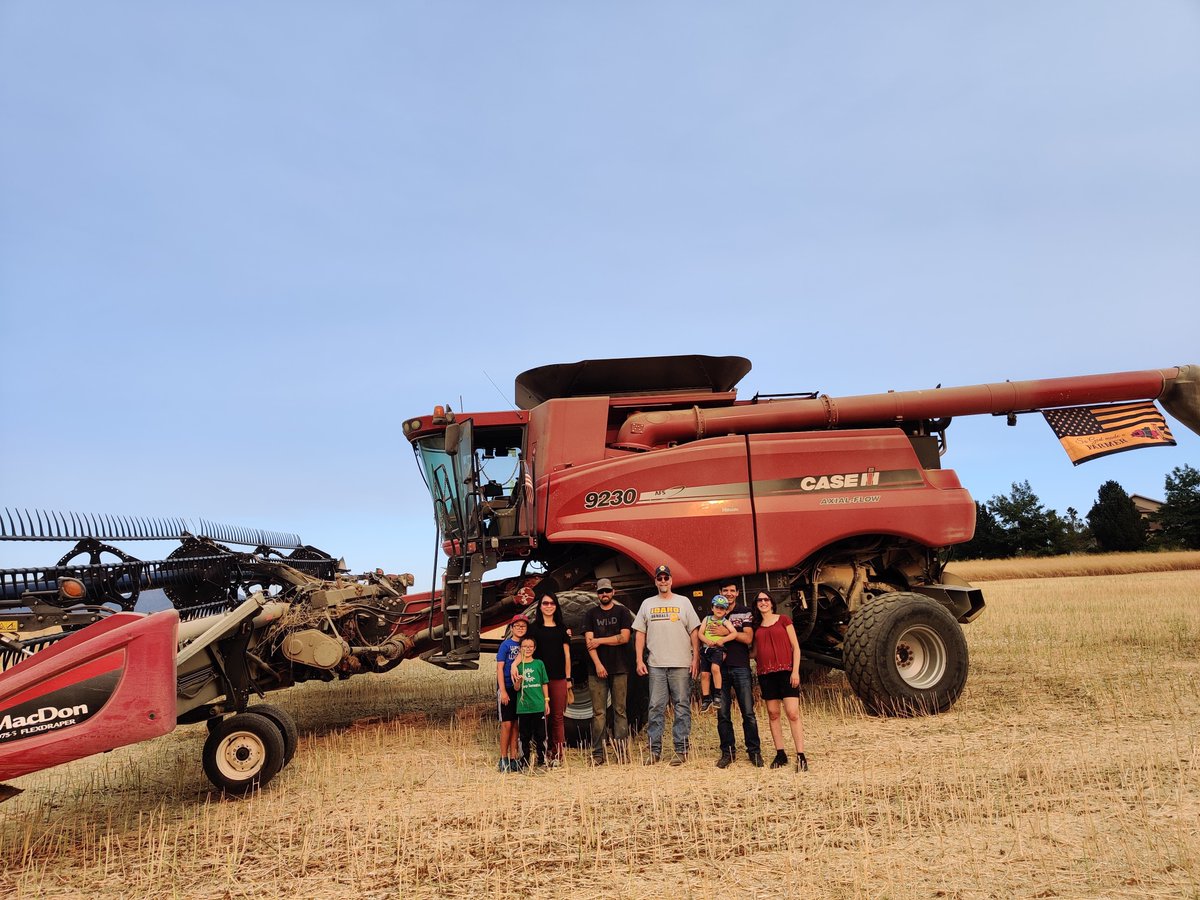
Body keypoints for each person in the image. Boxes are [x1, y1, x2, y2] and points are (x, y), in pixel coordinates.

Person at [633, 564, 700, 766]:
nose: (663, 581)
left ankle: (681, 749)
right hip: (656, 664)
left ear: (671, 580)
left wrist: (695, 657)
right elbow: (640, 633)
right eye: (659, 578)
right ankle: (654, 751)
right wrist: (639, 659)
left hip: (680, 663)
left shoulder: (684, 602)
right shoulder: (647, 604)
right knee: (655, 707)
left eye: (666, 578)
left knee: (681, 706)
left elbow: (694, 631)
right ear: (655, 581)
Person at [751, 591, 808, 772]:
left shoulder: (783, 620)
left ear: (772, 602)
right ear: (756, 604)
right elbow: (754, 652)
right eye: (759, 600)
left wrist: (795, 671)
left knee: (792, 713)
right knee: (773, 714)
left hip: (786, 672)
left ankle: (801, 755)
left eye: (766, 599)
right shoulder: (756, 626)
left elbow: (795, 647)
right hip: (766, 674)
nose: (763, 602)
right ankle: (780, 753)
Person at [583, 577, 634, 764]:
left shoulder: (622, 612)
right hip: (596, 669)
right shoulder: (590, 614)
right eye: (601, 592)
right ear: (597, 594)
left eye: (607, 591)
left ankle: (622, 753)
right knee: (599, 713)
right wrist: (598, 664)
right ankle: (598, 754)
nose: (604, 594)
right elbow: (589, 642)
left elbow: (625, 637)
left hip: (620, 667)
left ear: (613, 592)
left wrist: (600, 640)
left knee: (620, 711)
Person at [527, 590, 571, 766]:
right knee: (543, 717)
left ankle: (558, 754)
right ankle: (544, 753)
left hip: (559, 678)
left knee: (558, 717)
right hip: (539, 680)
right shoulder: (534, 628)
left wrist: (568, 679)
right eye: (545, 603)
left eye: (552, 603)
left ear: (556, 606)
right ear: (540, 606)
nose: (548, 606)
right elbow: (527, 651)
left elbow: (567, 655)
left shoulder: (562, 629)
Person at [495, 614, 528, 773]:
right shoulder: (506, 645)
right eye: (517, 626)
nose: (520, 628)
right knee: (506, 724)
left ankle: (514, 757)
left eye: (523, 626)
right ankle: (503, 758)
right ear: (512, 628)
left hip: (519, 688)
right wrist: (502, 691)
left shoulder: (526, 646)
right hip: (507, 687)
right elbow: (500, 668)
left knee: (516, 724)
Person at [512, 635, 550, 770]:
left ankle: (542, 760)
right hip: (524, 708)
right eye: (524, 647)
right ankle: (524, 762)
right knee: (524, 736)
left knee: (541, 735)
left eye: (530, 647)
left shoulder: (539, 664)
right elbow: (516, 688)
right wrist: (518, 681)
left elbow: (544, 683)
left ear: (534, 649)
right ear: (520, 649)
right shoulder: (518, 667)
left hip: (538, 705)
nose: (527, 649)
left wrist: (546, 701)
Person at [697, 595, 735, 711]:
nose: (719, 610)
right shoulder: (707, 619)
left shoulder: (725, 622)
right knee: (704, 674)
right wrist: (707, 641)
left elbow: (734, 633)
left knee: (715, 669)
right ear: (712, 608)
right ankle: (706, 698)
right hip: (706, 649)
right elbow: (700, 633)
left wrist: (722, 640)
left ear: (726, 611)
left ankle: (717, 694)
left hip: (717, 649)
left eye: (722, 608)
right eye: (717, 607)